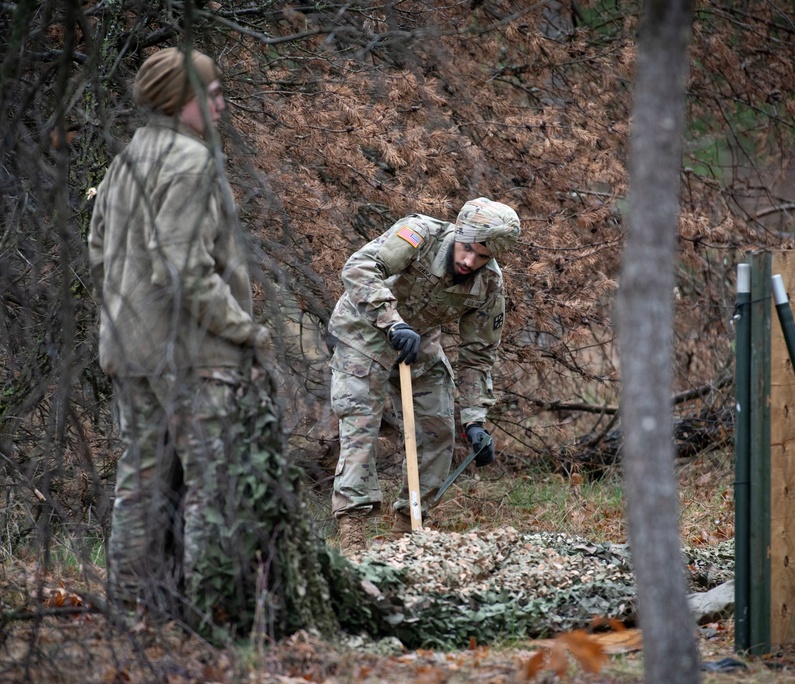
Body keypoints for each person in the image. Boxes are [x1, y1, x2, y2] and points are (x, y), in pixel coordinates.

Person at [89, 47, 339, 639]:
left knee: (141, 483)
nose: (221, 103)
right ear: (184, 99)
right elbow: (183, 270)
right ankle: (211, 615)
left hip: (129, 350)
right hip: (193, 357)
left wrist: (128, 319)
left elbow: (98, 252)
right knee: (211, 486)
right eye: (214, 92)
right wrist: (244, 330)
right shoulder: (191, 162)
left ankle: (135, 613)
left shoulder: (126, 160)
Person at [327, 197, 520, 553]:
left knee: (437, 429)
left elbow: (478, 354)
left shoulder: (489, 284)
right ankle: (353, 536)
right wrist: (392, 322)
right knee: (360, 423)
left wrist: (475, 419)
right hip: (364, 330)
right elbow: (358, 268)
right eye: (467, 250)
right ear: (458, 234)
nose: (469, 262)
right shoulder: (419, 234)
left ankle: (408, 532)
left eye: (482, 257)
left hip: (418, 340)